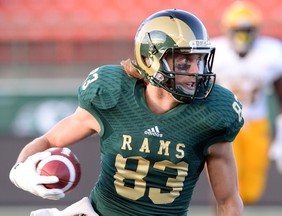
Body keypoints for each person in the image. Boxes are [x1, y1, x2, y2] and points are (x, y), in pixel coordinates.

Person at [9, 9, 244, 216]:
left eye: (200, 61)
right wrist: (20, 171)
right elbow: (50, 140)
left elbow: (228, 200)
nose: (196, 72)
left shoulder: (212, 114)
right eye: (184, 63)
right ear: (149, 59)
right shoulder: (112, 94)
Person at [211, 1, 282, 205]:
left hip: (257, 123)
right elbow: (203, 92)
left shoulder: (270, 53)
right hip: (227, 124)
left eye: (247, 31)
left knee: (251, 192)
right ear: (227, 30)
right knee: (225, 184)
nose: (242, 36)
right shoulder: (215, 52)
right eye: (238, 31)